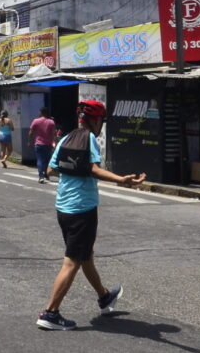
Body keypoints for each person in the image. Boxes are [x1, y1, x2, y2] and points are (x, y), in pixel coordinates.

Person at [37, 100, 145, 331]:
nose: (101, 126)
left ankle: (104, 296)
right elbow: (94, 169)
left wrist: (73, 169)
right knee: (72, 261)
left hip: (63, 208)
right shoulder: (90, 139)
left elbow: (50, 170)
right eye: (102, 122)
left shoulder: (66, 138)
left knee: (85, 256)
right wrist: (122, 180)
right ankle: (50, 313)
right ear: (96, 121)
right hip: (82, 209)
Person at [30, 107, 57, 183]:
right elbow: (54, 134)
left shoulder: (36, 121)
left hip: (38, 144)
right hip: (48, 144)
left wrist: (30, 141)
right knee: (47, 160)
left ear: (41, 112)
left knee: (40, 159)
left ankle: (41, 176)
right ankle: (46, 174)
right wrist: (55, 142)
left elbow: (31, 132)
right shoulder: (51, 122)